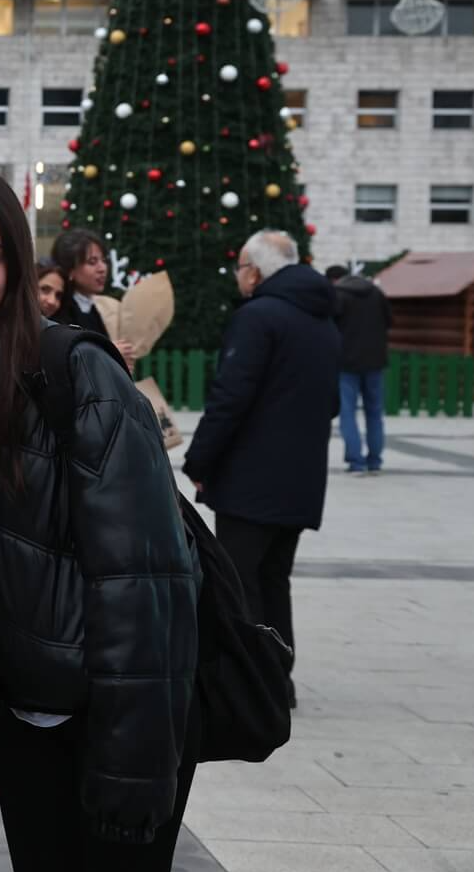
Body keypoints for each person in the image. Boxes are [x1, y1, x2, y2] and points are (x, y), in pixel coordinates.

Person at [0, 173, 198, 871]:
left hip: (106, 723)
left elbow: (143, 581)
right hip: (21, 718)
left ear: (18, 269)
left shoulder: (76, 374)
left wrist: (132, 767)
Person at [183, 230, 339, 710]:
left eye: (240, 268)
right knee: (274, 578)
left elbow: (231, 398)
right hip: (300, 478)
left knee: (238, 580)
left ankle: (246, 684)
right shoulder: (322, 320)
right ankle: (277, 678)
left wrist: (200, 460)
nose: (238, 277)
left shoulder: (258, 317)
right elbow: (331, 402)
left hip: (251, 478)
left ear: (254, 270)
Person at [326, 265, 393, 475]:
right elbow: (389, 321)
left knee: (348, 413)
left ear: (332, 280)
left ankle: (356, 462)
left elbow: (329, 327)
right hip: (375, 362)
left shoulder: (338, 296)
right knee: (374, 413)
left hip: (346, 364)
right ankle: (374, 461)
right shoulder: (377, 293)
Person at [50, 228, 135, 370]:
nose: (102, 268)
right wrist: (109, 353)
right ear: (70, 270)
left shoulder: (93, 308)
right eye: (92, 262)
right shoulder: (59, 310)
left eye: (103, 260)